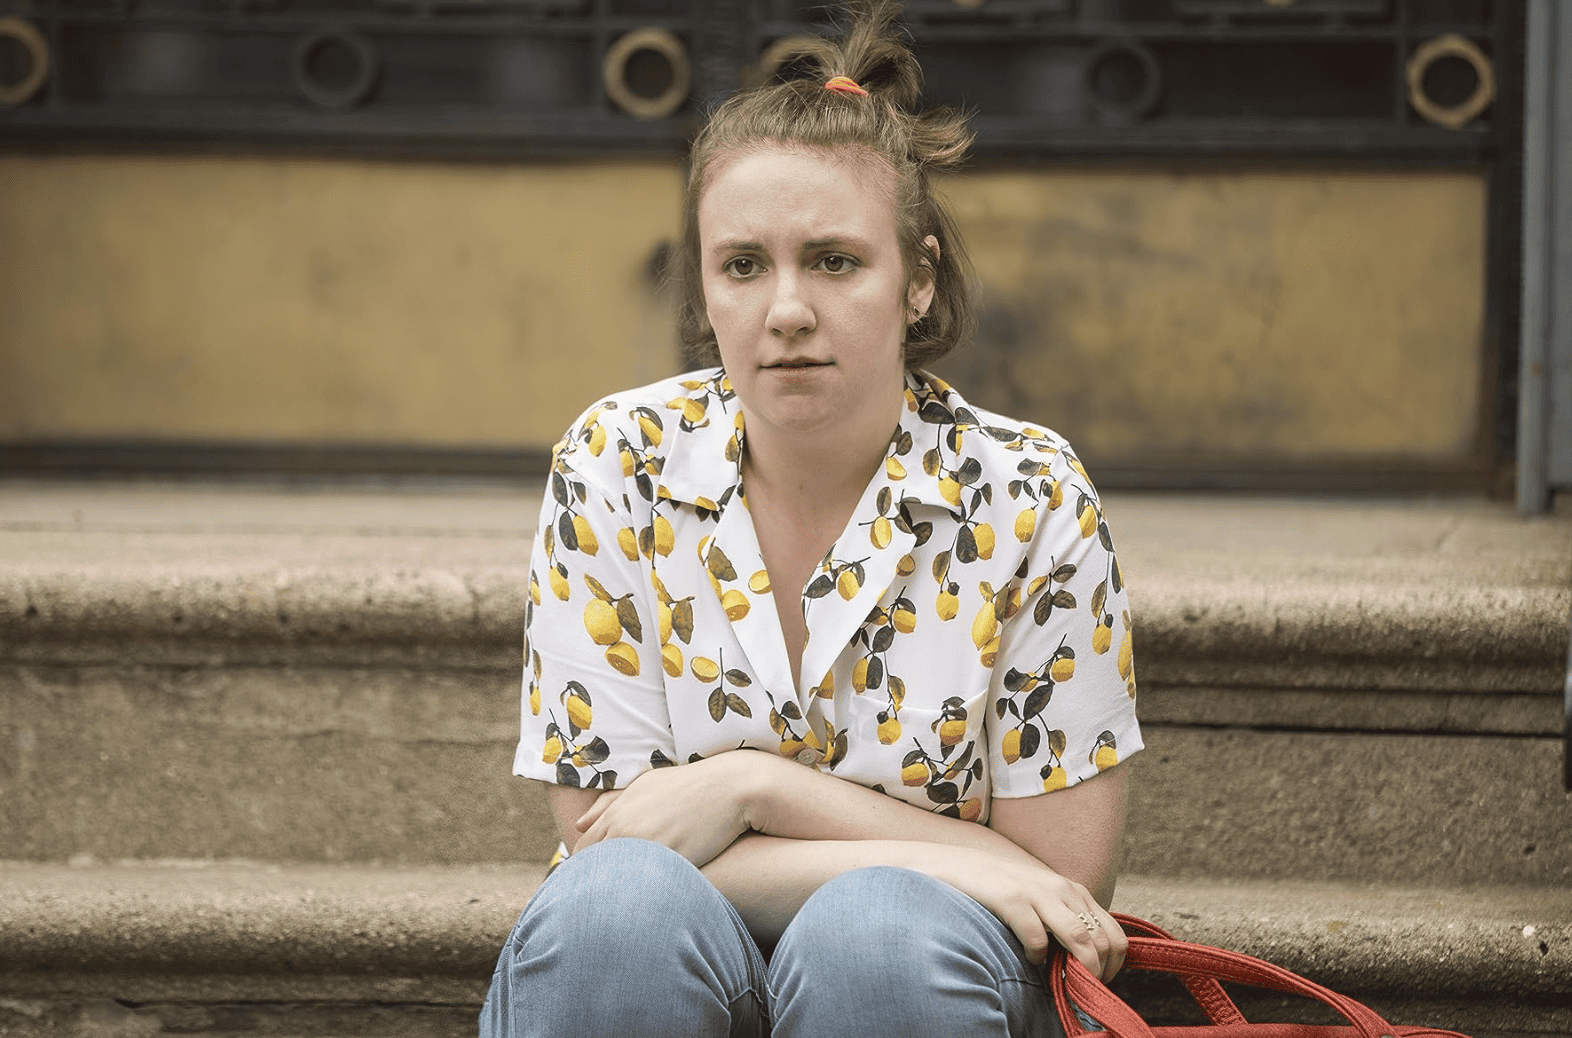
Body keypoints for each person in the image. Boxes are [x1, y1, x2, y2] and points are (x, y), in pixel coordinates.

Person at [481, 3, 1142, 1034]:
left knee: (875, 939)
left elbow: (1059, 888)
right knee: (616, 919)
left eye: (834, 260)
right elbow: (610, 850)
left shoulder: (1028, 496)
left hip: (923, 980)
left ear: (918, 279)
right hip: (659, 958)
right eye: (743, 265)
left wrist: (750, 791)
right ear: (703, 289)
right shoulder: (616, 464)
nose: (786, 308)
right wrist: (929, 849)